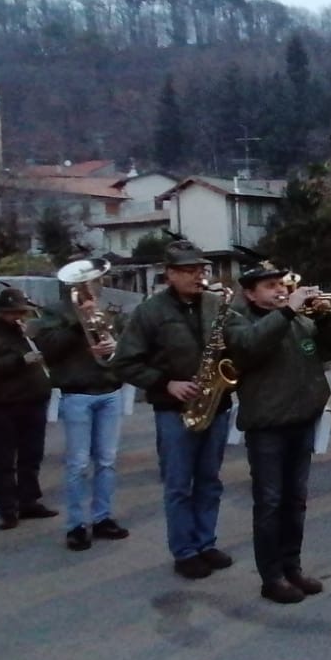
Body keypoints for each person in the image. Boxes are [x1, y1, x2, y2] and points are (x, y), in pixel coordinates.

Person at [112, 239, 235, 581]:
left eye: (201, 269)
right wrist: (166, 383)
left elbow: (238, 344)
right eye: (190, 270)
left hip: (217, 404)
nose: (199, 276)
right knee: (179, 484)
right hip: (174, 410)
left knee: (210, 480)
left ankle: (206, 542)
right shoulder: (150, 312)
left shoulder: (216, 304)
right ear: (169, 274)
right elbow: (124, 362)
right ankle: (184, 551)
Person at [225, 260, 331, 603]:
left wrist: (325, 317)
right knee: (270, 502)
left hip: (302, 420)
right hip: (268, 427)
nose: (279, 290)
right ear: (249, 293)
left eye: (280, 283)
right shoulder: (237, 321)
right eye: (269, 286)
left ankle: (292, 566)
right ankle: (272, 576)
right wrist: (288, 312)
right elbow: (249, 347)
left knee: (296, 500)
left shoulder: (297, 320)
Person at [36, 279, 128, 551]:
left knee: (107, 460)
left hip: (109, 390)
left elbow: (124, 342)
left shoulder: (107, 309)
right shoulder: (55, 311)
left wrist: (113, 346)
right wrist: (79, 322)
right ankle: (76, 525)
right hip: (77, 393)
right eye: (85, 281)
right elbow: (49, 347)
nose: (92, 287)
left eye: (95, 281)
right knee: (77, 464)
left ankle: (102, 518)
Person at [0, 288, 58, 530]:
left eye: (21, 312)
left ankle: (29, 501)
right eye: (12, 313)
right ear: (1, 312)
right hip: (2, 405)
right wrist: (20, 360)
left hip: (33, 401)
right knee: (4, 459)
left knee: (32, 456)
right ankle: (7, 508)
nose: (18, 317)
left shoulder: (27, 333)